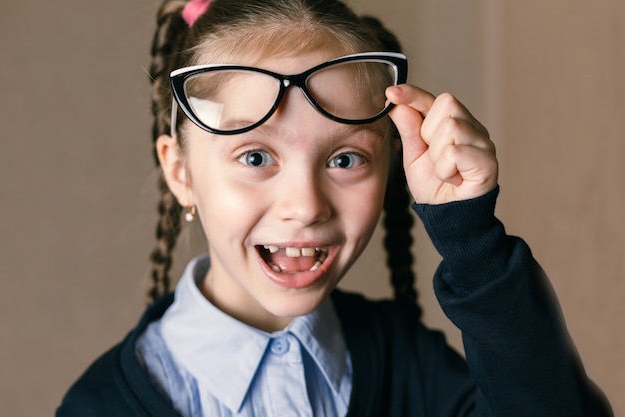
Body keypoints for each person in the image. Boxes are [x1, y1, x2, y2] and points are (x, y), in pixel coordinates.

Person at [56, 0, 614, 416]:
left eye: (345, 159)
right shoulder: (100, 406)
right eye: (255, 155)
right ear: (181, 172)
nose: (305, 206)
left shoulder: (407, 363)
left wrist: (472, 237)